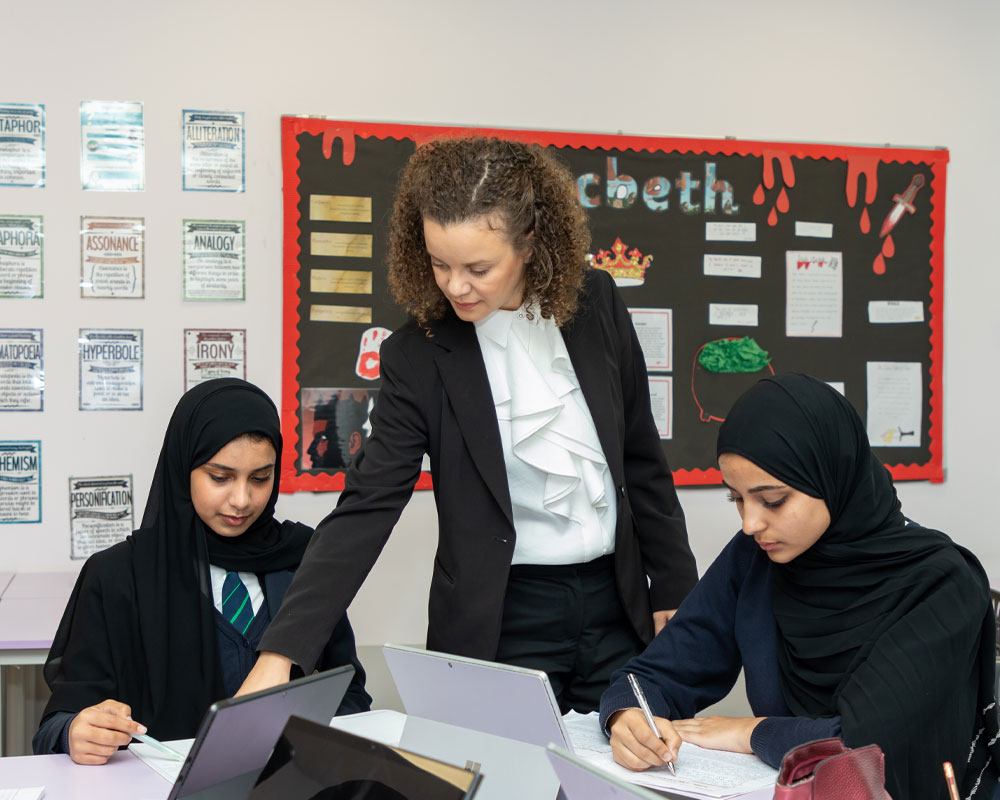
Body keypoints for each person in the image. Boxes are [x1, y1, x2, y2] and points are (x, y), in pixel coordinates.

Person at [241, 137, 698, 713]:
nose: (455, 286)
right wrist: (280, 653)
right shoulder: (419, 354)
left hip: (618, 603)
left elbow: (640, 456)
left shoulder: (596, 303)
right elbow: (367, 506)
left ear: (530, 242)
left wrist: (677, 584)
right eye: (439, 263)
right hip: (502, 621)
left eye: (478, 268)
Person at [601, 373, 1000, 800]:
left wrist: (751, 732)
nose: (750, 523)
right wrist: (628, 715)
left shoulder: (940, 583)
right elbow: (655, 675)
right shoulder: (756, 556)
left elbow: (868, 749)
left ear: (831, 477)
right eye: (735, 498)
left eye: (772, 500)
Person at [34, 378, 370, 764]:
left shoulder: (306, 561)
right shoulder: (117, 576)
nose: (242, 500)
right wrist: (76, 731)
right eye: (220, 477)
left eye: (260, 478)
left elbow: (350, 693)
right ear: (183, 467)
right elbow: (55, 727)